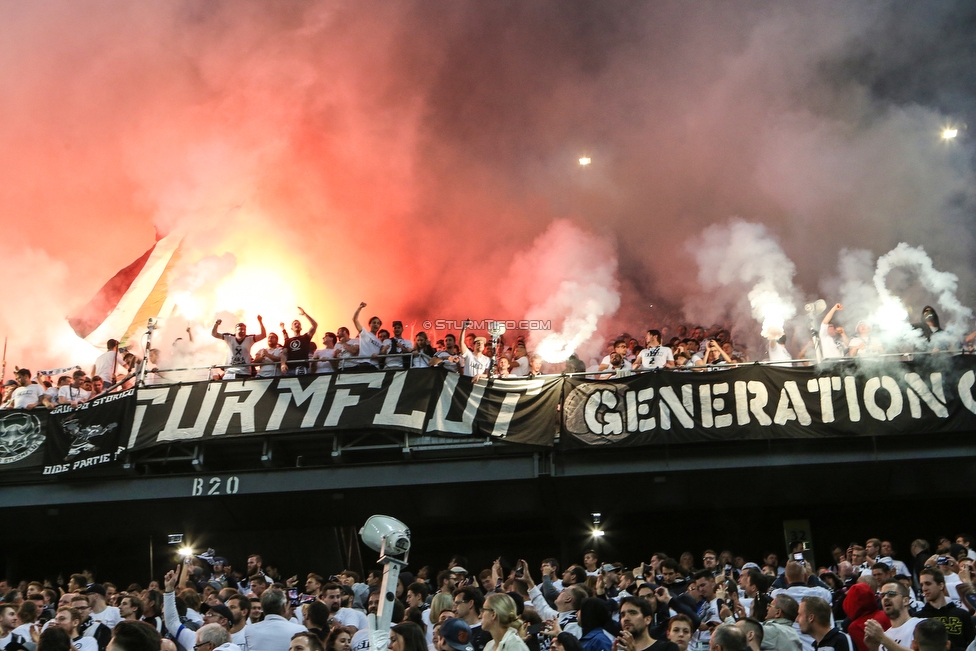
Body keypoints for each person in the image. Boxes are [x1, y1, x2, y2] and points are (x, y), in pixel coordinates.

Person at [916, 569, 973, 651]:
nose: (924, 588)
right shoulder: (918, 618)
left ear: (941, 585)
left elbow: (971, 644)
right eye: (922, 585)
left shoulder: (962, 614)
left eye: (928, 584)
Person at [279, 308, 319, 376]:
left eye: (298, 324)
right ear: (292, 328)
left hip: (303, 368)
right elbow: (284, 353)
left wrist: (305, 314)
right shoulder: (288, 341)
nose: (297, 325)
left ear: (301, 328)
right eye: (295, 324)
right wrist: (283, 364)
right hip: (290, 369)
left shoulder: (305, 337)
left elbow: (315, 325)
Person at [352, 303, 383, 370]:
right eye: (374, 323)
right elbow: (355, 319)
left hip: (376, 366)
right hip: (364, 363)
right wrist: (360, 308)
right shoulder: (365, 333)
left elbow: (381, 358)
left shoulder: (380, 342)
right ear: (370, 324)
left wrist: (377, 357)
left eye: (378, 323)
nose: (376, 325)